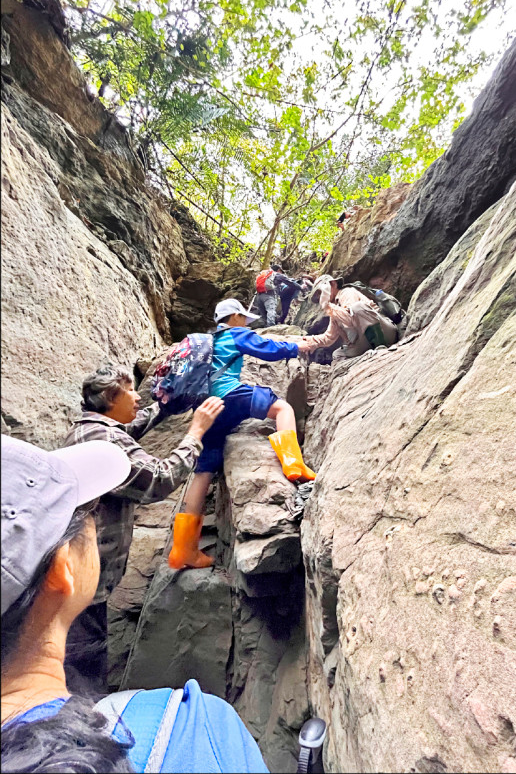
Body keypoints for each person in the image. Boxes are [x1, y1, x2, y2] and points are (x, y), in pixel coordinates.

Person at [0, 435, 269, 773]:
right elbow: (158, 479)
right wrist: (194, 435)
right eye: (85, 511)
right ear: (61, 568)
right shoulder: (196, 728)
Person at [62, 366, 224, 691]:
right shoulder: (107, 441)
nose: (139, 396)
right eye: (131, 391)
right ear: (111, 398)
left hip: (74, 574)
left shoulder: (87, 430)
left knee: (78, 656)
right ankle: (83, 729)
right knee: (85, 669)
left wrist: (163, 407)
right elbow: (159, 480)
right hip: (84, 583)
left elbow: (127, 430)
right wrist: (195, 432)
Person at [168, 298, 315, 570]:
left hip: (206, 408)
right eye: (244, 318)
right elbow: (267, 349)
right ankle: (294, 466)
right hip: (229, 396)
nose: (246, 322)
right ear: (235, 317)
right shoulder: (235, 333)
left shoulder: (207, 343)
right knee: (282, 408)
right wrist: (297, 346)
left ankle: (184, 549)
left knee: (203, 471)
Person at [301, 274, 398, 361]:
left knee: (357, 308)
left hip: (384, 331)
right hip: (364, 340)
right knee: (337, 354)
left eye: (320, 292)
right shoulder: (334, 308)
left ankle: (381, 346)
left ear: (333, 284)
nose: (319, 297)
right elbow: (329, 337)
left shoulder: (347, 293)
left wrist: (327, 306)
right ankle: (365, 360)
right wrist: (309, 341)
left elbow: (349, 318)